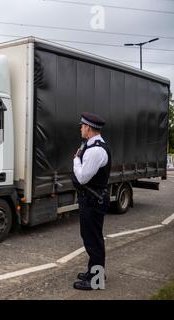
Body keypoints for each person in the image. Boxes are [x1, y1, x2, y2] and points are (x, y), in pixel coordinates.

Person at [72, 112, 111, 290]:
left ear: (88, 128)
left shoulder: (95, 150)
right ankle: (95, 272)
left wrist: (75, 160)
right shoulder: (92, 146)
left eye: (82, 126)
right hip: (91, 200)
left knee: (93, 241)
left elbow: (82, 177)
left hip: (93, 201)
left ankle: (96, 280)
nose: (81, 128)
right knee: (91, 238)